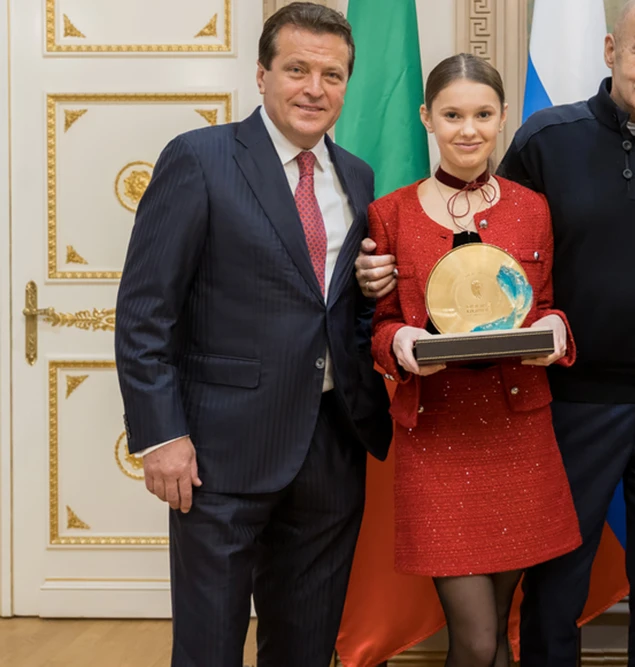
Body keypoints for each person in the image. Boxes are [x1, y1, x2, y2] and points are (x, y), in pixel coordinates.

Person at [357, 1, 635, 664]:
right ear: (611, 50)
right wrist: (377, 277)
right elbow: (492, 261)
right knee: (556, 585)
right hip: (570, 402)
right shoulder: (546, 140)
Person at [114, 4, 391, 665]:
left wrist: (373, 290)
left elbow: (334, 309)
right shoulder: (200, 159)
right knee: (209, 646)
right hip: (219, 453)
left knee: (305, 645)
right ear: (262, 75)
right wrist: (161, 435)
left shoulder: (357, 176)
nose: (315, 89)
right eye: (297, 69)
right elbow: (146, 311)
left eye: (332, 74)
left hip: (330, 448)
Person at [368, 53, 582, 667]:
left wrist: (555, 329)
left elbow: (545, 306)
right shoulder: (390, 213)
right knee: (477, 638)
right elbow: (380, 325)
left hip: (518, 436)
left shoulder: (532, 208)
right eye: (453, 115)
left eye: (483, 115)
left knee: (499, 635)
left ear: (503, 116)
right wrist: (398, 345)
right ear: (426, 117)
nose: (469, 130)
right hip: (437, 441)